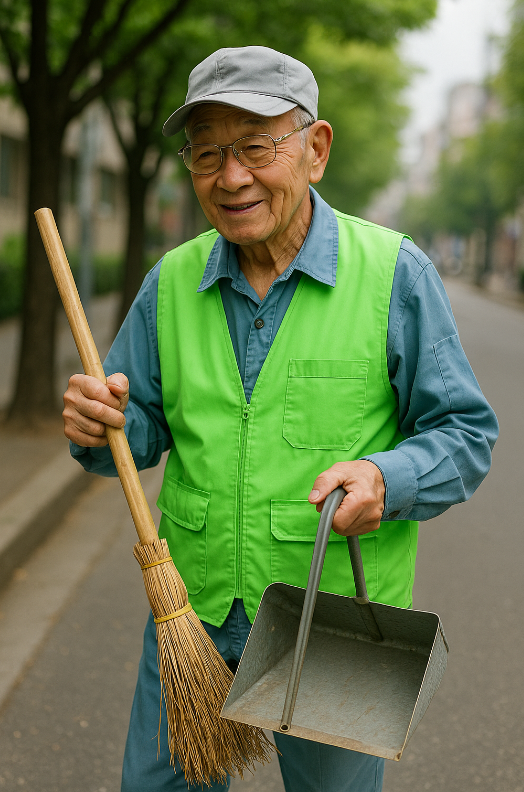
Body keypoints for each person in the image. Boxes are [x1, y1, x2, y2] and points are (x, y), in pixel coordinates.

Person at [64, 46, 498, 792]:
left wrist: (385, 479)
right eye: (207, 154)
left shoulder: (395, 273)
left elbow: (465, 433)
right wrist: (100, 426)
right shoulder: (170, 282)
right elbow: (134, 439)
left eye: (256, 147)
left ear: (316, 149)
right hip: (190, 614)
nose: (231, 177)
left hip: (330, 623)